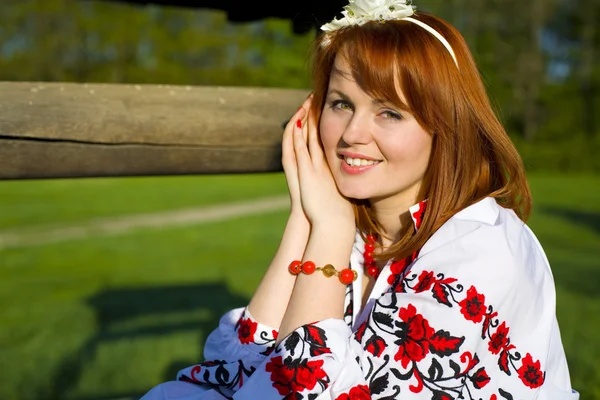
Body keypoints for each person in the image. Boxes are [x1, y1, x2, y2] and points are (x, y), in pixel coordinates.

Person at [140, 0, 578, 398]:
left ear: (446, 128)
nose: (352, 134)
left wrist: (328, 228)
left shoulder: (478, 254)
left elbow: (292, 390)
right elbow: (233, 367)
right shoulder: (364, 234)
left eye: (389, 112)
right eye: (341, 103)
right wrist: (306, 221)